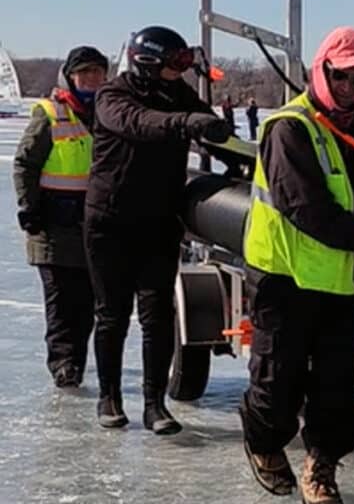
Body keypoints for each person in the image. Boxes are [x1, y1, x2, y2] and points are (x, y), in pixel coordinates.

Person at [239, 26, 354, 503]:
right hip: (285, 278)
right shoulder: (289, 128)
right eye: (342, 78)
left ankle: (321, 468)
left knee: (336, 394)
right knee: (278, 389)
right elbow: (305, 209)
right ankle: (262, 440)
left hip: (338, 281)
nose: (350, 90)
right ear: (322, 70)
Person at [86, 26, 234, 434]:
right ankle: (109, 397)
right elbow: (140, 123)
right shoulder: (112, 96)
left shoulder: (178, 94)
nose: (182, 72)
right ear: (149, 62)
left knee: (156, 315)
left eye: (186, 64)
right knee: (112, 314)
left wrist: (235, 153)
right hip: (109, 222)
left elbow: (204, 126)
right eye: (176, 64)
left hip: (159, 220)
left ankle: (155, 405)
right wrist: (188, 122)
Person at [13, 46, 108, 389]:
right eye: (84, 73)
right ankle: (65, 365)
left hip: (95, 226)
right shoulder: (51, 113)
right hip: (53, 227)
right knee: (62, 302)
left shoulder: (110, 113)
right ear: (70, 76)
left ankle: (75, 360)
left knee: (86, 305)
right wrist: (30, 208)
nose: (91, 80)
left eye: (97, 73)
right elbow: (25, 164)